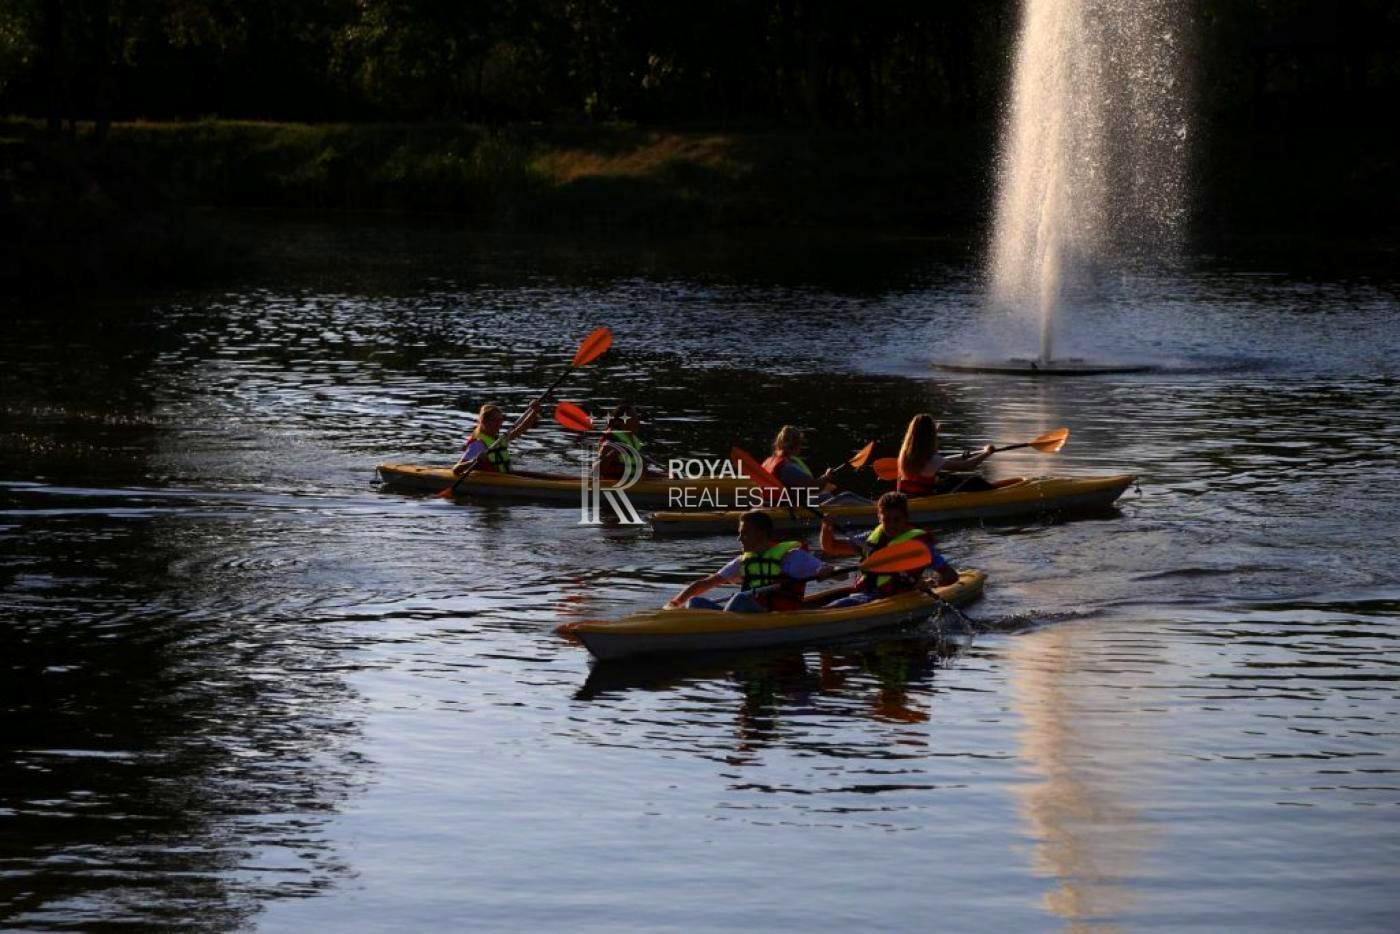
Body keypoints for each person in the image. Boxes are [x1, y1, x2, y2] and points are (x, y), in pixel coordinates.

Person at [666, 510, 835, 613]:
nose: (739, 539)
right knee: (695, 602)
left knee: (740, 599)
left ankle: (722, 631)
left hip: (777, 616)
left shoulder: (793, 556)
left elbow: (839, 575)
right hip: (743, 614)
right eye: (740, 533)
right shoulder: (743, 561)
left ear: (761, 534)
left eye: (745, 533)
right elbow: (704, 584)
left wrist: (826, 571)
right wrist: (676, 602)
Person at [818, 491, 959, 607]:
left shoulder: (919, 545)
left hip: (892, 597)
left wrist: (933, 583)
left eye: (897, 520)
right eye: (886, 520)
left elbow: (951, 575)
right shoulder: (868, 539)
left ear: (906, 518)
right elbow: (831, 547)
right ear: (879, 518)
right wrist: (826, 528)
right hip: (865, 594)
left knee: (832, 607)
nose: (891, 525)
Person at [896, 413, 995, 495]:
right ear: (930, 435)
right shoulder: (932, 460)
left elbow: (942, 460)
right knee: (976, 481)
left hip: (912, 495)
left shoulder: (905, 456)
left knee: (952, 480)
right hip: (927, 499)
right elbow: (968, 466)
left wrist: (964, 456)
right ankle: (995, 495)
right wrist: (987, 452)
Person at [453, 400, 540, 475]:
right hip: (490, 480)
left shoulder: (497, 439)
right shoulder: (478, 444)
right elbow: (456, 469)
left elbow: (520, 430)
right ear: (484, 422)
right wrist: (474, 461)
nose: (499, 424)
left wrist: (534, 411)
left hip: (505, 476)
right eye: (494, 420)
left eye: (500, 420)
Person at [596, 402, 657, 478]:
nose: (637, 422)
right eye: (633, 418)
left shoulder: (634, 440)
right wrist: (614, 453)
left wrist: (665, 475)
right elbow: (596, 471)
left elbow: (642, 470)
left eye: (636, 418)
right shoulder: (610, 440)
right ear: (620, 422)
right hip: (614, 480)